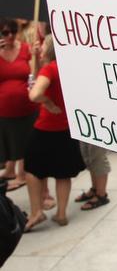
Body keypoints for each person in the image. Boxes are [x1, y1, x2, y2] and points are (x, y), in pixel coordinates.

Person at [24, 37, 85, 230]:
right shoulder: (66, 66)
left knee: (32, 169)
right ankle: (61, 213)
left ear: (49, 48)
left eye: (42, 45)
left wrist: (48, 103)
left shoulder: (50, 69)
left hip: (46, 126)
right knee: (63, 172)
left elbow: (34, 94)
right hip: (66, 127)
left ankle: (36, 211)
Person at [0, 18, 36, 193]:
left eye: (13, 32)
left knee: (25, 144)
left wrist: (36, 57)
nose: (10, 36)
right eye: (5, 33)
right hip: (4, 110)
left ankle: (22, 174)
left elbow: (34, 74)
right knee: (9, 144)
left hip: (26, 107)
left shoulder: (25, 49)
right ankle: (9, 170)